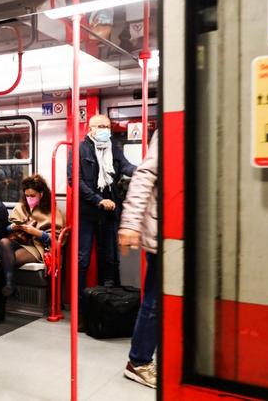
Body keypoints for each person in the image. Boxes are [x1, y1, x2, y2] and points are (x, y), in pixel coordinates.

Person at [67, 114, 136, 327]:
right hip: (88, 211)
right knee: (82, 259)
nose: (105, 129)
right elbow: (75, 181)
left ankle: (110, 308)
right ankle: (80, 310)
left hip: (110, 211)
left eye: (107, 126)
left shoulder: (113, 148)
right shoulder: (79, 149)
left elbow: (126, 167)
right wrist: (98, 200)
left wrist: (145, 172)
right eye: (100, 126)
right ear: (90, 128)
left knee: (111, 259)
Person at [0, 174, 64, 326]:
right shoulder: (21, 207)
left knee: (6, 262)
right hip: (18, 240)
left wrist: (37, 232)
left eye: (33, 195)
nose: (29, 198)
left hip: (36, 246)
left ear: (41, 194)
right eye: (27, 195)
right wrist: (14, 227)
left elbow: (55, 239)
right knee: (3, 242)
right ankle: (10, 283)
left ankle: (0, 308)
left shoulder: (51, 211)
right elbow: (6, 229)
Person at [117, 131, 159, 389]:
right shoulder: (171, 128)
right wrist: (131, 223)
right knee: (155, 300)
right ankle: (139, 361)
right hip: (167, 231)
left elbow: (131, 167)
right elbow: (144, 175)